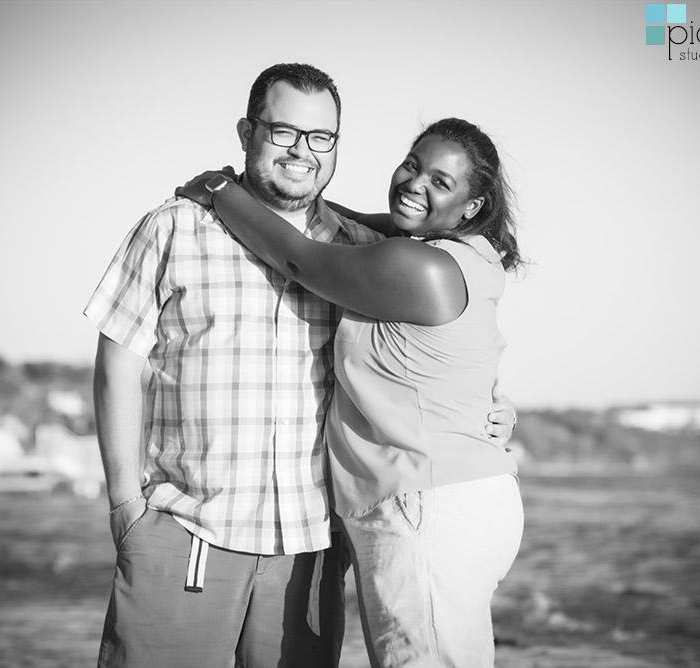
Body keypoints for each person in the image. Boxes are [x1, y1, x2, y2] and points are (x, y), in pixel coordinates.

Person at [84, 63, 516, 668]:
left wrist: (496, 406)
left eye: (320, 138)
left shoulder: (365, 252)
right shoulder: (173, 228)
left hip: (311, 542)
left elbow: (306, 265)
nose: (301, 151)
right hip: (189, 528)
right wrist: (127, 505)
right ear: (246, 131)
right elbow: (117, 365)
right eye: (282, 132)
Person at [178, 117, 525, 667]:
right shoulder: (469, 256)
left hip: (424, 505)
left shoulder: (418, 266)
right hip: (456, 494)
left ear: (471, 207)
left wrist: (222, 192)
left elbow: (299, 259)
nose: (415, 184)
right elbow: (372, 222)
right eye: (412, 165)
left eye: (440, 181)